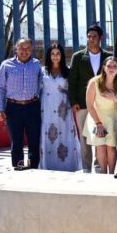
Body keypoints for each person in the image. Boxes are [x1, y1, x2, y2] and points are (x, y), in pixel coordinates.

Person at [69, 24, 111, 172]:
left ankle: (99, 166)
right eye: (89, 36)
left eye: (94, 36)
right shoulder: (78, 57)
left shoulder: (108, 56)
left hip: (102, 104)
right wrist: (73, 101)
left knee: (100, 136)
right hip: (82, 104)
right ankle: (86, 168)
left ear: (100, 38)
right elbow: (72, 81)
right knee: (84, 138)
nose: (91, 39)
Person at [0, 38, 43, 168]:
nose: (24, 51)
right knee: (16, 140)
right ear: (16, 48)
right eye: (21, 48)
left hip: (32, 107)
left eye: (27, 48)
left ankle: (34, 167)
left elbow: (42, 86)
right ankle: (18, 165)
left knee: (34, 139)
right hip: (13, 107)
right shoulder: (6, 65)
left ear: (31, 50)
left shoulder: (36, 65)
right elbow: (0, 88)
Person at [39, 44, 82, 172]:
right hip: (46, 107)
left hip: (63, 109)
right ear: (49, 56)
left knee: (64, 133)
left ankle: (67, 166)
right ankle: (48, 165)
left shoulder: (67, 71)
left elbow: (73, 88)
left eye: (58, 53)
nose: (55, 56)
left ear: (62, 55)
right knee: (47, 133)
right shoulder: (42, 71)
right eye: (52, 54)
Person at [83, 57, 117, 174]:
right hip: (96, 117)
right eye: (109, 66)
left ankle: (111, 173)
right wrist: (98, 124)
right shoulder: (94, 82)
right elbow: (90, 105)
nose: (111, 68)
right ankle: (103, 173)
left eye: (114, 66)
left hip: (114, 118)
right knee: (100, 146)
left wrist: (115, 99)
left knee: (111, 147)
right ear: (104, 67)